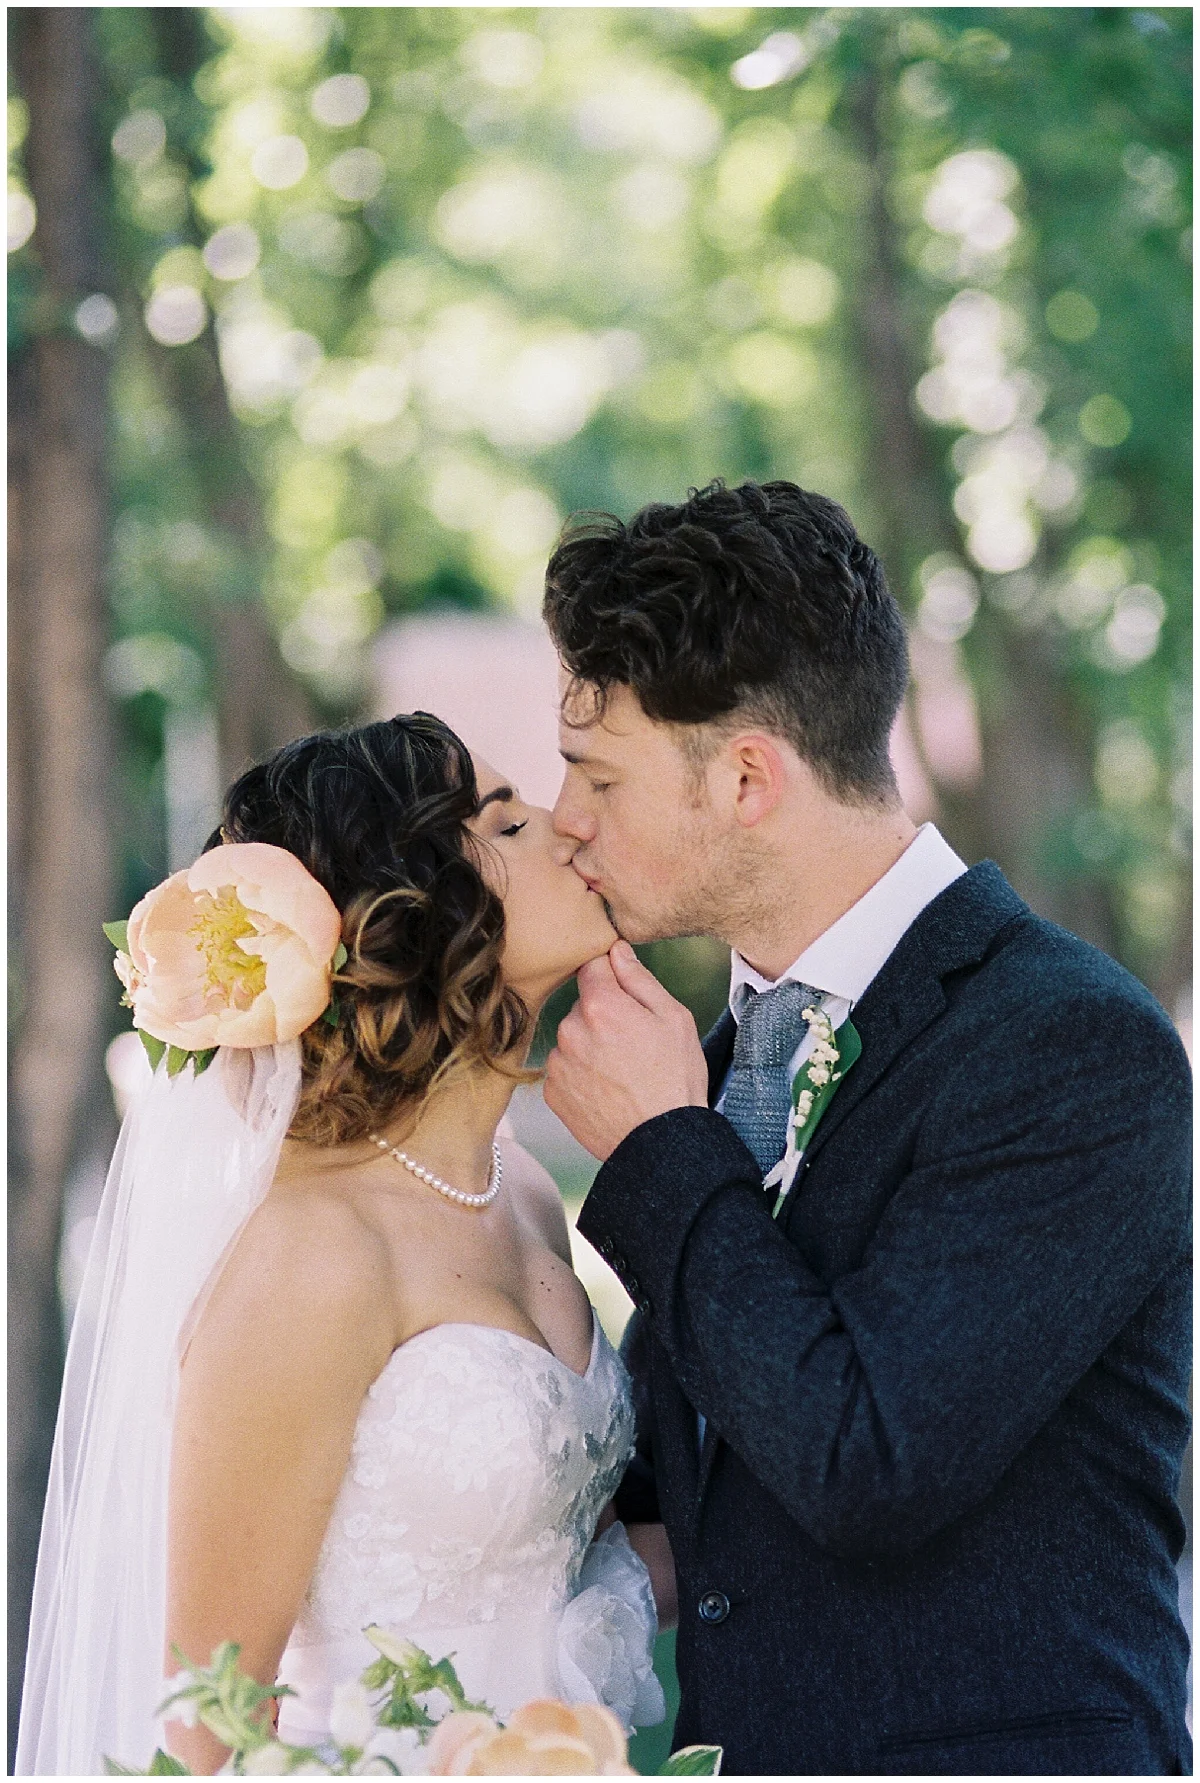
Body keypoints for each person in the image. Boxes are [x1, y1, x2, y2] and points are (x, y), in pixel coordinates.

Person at [540, 479, 1192, 1776]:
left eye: (599, 775)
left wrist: (660, 1147)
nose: (569, 818)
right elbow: (699, 1483)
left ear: (746, 776)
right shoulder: (722, 1057)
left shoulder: (1071, 1043)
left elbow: (868, 1460)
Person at [17, 713, 664, 1777]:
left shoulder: (521, 1192)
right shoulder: (311, 1253)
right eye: (506, 821)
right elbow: (210, 1721)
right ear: (413, 916)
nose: (565, 824)